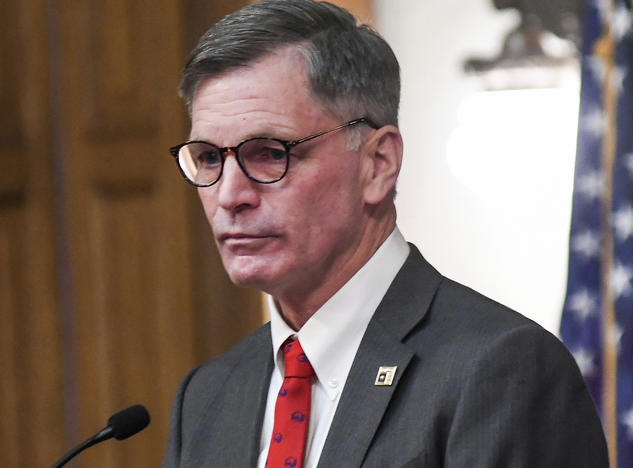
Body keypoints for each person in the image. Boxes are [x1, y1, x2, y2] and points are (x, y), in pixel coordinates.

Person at [163, 1, 609, 467]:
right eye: (210, 159)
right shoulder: (206, 396)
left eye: (271, 153)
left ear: (378, 164)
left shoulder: (502, 370)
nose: (231, 195)